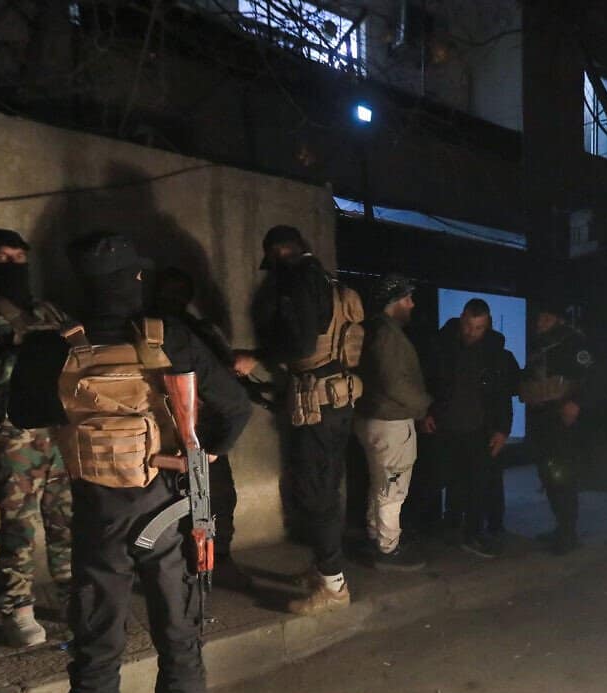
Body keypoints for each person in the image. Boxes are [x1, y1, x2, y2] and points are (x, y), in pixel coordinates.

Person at [14, 232, 251, 693]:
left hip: (97, 516)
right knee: (178, 631)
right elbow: (236, 407)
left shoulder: (55, 346)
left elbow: (18, 411)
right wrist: (208, 454)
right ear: (137, 281)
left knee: (97, 642)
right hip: (167, 510)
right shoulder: (169, 338)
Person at [235, 225, 364, 615]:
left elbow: (302, 344)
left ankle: (333, 587)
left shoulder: (300, 281)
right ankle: (326, 569)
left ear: (278, 252)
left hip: (319, 404)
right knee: (325, 485)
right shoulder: (325, 279)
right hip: (337, 397)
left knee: (315, 491)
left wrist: (256, 357)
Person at [0, 229, 72, 646]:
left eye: (19, 257)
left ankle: (72, 597)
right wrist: (22, 356)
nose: (13, 265)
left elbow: (81, 351)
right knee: (19, 524)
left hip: (60, 427)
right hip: (15, 431)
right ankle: (17, 608)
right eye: (2, 258)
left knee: (67, 519)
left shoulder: (49, 311)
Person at [153, 267, 251, 591]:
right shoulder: (153, 330)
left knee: (217, 500)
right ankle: (185, 567)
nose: (175, 298)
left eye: (181, 291)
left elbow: (225, 373)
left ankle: (215, 561)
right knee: (174, 505)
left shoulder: (199, 330)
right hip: (165, 430)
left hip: (203, 429)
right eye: (170, 290)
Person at [426, 298, 516, 558]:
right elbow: (431, 381)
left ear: (486, 325)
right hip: (447, 427)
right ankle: (452, 525)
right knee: (450, 480)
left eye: (478, 328)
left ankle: (473, 533)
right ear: (462, 318)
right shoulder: (444, 345)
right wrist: (427, 412)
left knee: (478, 484)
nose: (471, 332)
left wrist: (503, 430)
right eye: (468, 326)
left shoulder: (495, 353)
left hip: (480, 429)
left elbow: (502, 396)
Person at [353, 273, 431, 571]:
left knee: (379, 482)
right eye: (407, 298)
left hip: (372, 418)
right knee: (393, 487)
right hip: (390, 421)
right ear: (394, 302)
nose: (412, 304)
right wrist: (424, 406)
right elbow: (395, 384)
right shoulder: (387, 335)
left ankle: (377, 536)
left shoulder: (374, 330)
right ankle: (388, 548)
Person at [520, 301, 593, 555]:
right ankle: (560, 527)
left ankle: (567, 533)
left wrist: (575, 403)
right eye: (539, 320)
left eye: (547, 319)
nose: (541, 324)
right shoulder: (538, 345)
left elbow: (587, 377)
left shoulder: (574, 341)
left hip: (562, 420)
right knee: (547, 475)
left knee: (562, 477)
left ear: (559, 320)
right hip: (541, 418)